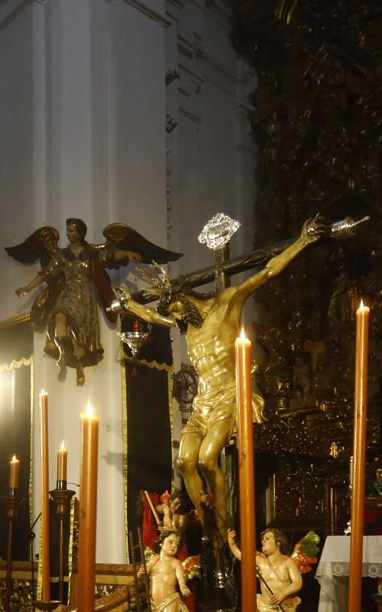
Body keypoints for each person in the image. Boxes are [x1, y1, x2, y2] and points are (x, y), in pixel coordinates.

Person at [116, 216, 324, 522]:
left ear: (184, 298)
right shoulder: (185, 323)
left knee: (206, 458)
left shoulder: (227, 302)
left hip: (229, 397)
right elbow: (159, 320)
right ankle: (207, 522)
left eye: (174, 309)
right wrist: (131, 306)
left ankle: (223, 525)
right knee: (186, 461)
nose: (175, 319)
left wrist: (302, 240)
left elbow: (268, 271)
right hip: (203, 403)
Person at [8, 219, 177, 386]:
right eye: (67, 230)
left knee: (81, 336)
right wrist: (27, 288)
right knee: (60, 317)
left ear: (80, 232)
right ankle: (62, 354)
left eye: (72, 231)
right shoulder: (61, 255)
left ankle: (79, 365)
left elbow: (110, 255)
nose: (68, 233)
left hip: (86, 297)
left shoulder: (91, 253)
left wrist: (126, 253)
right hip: (68, 293)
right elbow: (47, 273)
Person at [140, 531, 194, 612]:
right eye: (170, 542)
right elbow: (144, 573)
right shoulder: (154, 559)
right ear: (161, 543)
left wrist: (183, 587)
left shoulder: (175, 563)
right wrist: (140, 573)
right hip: (154, 602)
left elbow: (181, 578)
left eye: (176, 544)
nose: (174, 545)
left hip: (170, 599)